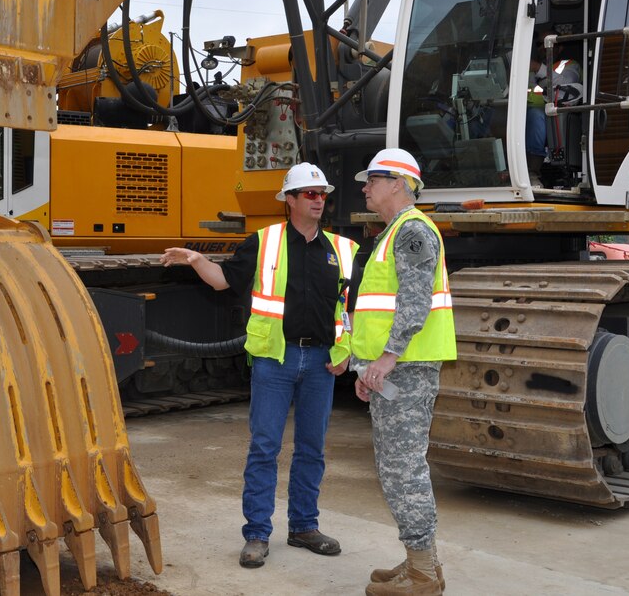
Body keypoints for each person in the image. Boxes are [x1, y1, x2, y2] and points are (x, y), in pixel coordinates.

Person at [159, 162, 358, 569]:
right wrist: (196, 259)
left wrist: (347, 352)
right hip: (275, 359)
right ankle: (257, 534)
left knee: (311, 449)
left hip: (322, 362)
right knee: (265, 447)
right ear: (290, 200)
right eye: (310, 194)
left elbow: (349, 308)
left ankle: (304, 526)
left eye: (323, 195)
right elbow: (221, 281)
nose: (319, 201)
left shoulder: (342, 250)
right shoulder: (263, 243)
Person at [348, 148, 456, 596]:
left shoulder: (411, 231)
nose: (365, 188)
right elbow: (380, 309)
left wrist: (387, 358)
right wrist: (366, 367)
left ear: (397, 182)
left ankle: (423, 573)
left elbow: (414, 303)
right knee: (396, 467)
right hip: (394, 370)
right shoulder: (394, 232)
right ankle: (420, 560)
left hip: (406, 369)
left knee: (403, 469)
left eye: (372, 180)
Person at [526, 34, 583, 187]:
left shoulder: (569, 64)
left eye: (548, 43)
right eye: (539, 44)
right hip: (520, 109)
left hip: (550, 113)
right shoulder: (525, 65)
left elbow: (567, 84)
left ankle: (532, 172)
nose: (543, 47)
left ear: (560, 47)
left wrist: (538, 69)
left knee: (535, 116)